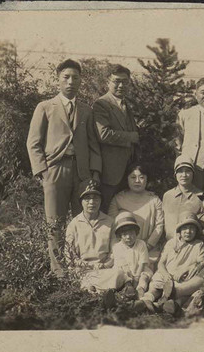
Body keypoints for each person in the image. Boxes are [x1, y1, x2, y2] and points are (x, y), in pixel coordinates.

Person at [27, 59, 102, 277]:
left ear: (80, 81)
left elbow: (93, 143)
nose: (71, 82)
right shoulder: (45, 107)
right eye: (66, 77)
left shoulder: (86, 110)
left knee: (84, 220)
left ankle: (83, 269)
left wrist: (94, 172)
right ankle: (59, 272)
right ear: (58, 80)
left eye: (75, 78)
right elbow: (33, 142)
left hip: (82, 172)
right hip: (55, 170)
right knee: (55, 222)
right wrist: (42, 171)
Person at [93, 64, 139, 213]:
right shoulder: (102, 104)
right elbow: (104, 134)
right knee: (105, 212)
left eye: (125, 82)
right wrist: (131, 137)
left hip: (127, 171)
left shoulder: (127, 105)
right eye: (116, 81)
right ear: (108, 82)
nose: (121, 85)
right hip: (109, 173)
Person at [141, 211, 204, 313]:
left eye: (192, 229)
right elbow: (161, 263)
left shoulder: (198, 244)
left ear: (196, 231)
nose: (188, 232)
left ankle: (167, 305)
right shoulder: (171, 243)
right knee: (155, 286)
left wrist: (188, 268)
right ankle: (146, 301)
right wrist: (165, 274)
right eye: (185, 228)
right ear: (179, 230)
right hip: (166, 275)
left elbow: (202, 262)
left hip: (181, 279)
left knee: (185, 290)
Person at [64, 179, 123, 292]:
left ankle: (93, 291)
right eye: (87, 198)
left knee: (119, 274)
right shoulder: (74, 224)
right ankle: (103, 292)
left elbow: (115, 251)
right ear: (81, 201)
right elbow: (69, 255)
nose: (92, 202)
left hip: (105, 268)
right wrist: (87, 265)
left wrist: (105, 264)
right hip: (83, 269)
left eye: (96, 198)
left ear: (101, 200)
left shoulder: (110, 222)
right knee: (78, 276)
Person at [107, 163, 164, 268]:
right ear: (127, 179)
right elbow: (112, 227)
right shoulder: (118, 199)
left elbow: (159, 226)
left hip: (148, 249)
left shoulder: (154, 200)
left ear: (147, 179)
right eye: (133, 177)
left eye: (141, 177)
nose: (137, 181)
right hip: (122, 249)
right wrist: (117, 249)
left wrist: (147, 246)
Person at [111, 211, 153, 298]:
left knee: (144, 277)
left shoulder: (141, 244)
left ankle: (140, 291)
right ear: (120, 236)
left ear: (136, 233)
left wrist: (137, 277)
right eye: (124, 234)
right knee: (120, 275)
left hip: (140, 270)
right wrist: (130, 280)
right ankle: (128, 289)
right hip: (124, 271)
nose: (128, 237)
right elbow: (123, 265)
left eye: (131, 233)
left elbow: (142, 262)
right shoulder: (117, 247)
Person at [162, 155, 203, 241]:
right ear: (175, 174)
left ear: (193, 174)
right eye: (180, 171)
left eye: (188, 171)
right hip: (169, 244)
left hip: (192, 245)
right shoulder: (168, 196)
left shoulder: (200, 196)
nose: (184, 175)